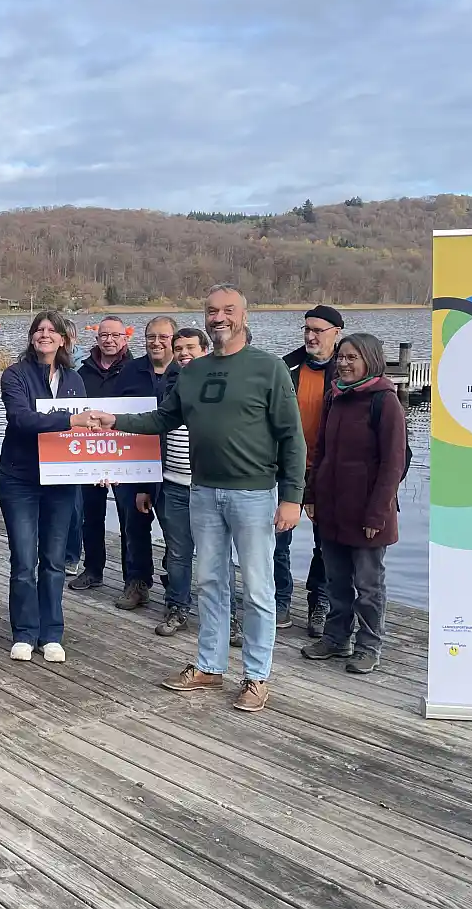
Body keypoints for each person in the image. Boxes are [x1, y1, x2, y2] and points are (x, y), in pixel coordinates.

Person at [85, 285, 305, 713]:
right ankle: (209, 666)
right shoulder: (192, 372)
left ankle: (256, 676)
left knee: (258, 589)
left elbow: (291, 437)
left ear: (243, 314)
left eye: (227, 310)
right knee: (210, 583)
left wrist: (292, 496)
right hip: (202, 492)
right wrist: (114, 420)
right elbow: (163, 418)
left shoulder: (270, 368)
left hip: (254, 493)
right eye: (211, 311)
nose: (218, 317)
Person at [300, 333, 407, 674]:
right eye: (341, 357)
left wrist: (377, 511)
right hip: (332, 510)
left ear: (370, 361)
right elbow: (321, 451)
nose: (343, 364)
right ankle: (336, 638)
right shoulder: (335, 397)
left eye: (352, 358)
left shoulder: (384, 402)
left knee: (368, 586)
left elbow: (394, 463)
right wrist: (311, 494)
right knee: (336, 581)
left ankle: (369, 645)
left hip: (368, 514)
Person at [0, 311, 90, 663]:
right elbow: (21, 419)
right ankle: (24, 631)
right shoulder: (14, 375)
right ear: (32, 337)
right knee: (23, 560)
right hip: (20, 479)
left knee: (53, 561)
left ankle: (52, 633)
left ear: (64, 340)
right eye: (39, 330)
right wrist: (69, 420)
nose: (45, 335)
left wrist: (98, 467)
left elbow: (84, 434)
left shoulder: (75, 381)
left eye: (52, 330)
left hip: (61, 482)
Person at [277, 304, 344, 635]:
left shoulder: (346, 370)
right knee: (277, 538)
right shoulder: (286, 366)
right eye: (307, 329)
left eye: (318, 330)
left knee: (326, 543)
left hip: (328, 470)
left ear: (336, 333)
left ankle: (321, 602)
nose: (310, 335)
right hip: (286, 467)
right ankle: (280, 601)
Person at [143, 326, 209, 637]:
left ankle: (227, 615)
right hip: (171, 483)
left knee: (216, 555)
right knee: (178, 552)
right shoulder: (168, 385)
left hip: (209, 486)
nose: (184, 354)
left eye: (190, 348)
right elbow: (152, 427)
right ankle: (177, 607)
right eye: (179, 348)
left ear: (204, 350)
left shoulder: (216, 383)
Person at [111, 315, 178, 611]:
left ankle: (175, 587)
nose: (156, 342)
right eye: (151, 336)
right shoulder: (129, 371)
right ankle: (137, 582)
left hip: (173, 465)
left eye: (163, 337)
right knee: (133, 526)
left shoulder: (186, 371)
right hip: (133, 461)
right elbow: (113, 415)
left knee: (175, 530)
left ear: (174, 340)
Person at [68, 315, 131, 592]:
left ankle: (134, 578)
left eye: (115, 335)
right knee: (90, 516)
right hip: (90, 453)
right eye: (104, 335)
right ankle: (93, 570)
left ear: (125, 338)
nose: (109, 340)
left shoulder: (136, 370)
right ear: (97, 339)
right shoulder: (82, 372)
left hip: (127, 455)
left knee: (131, 518)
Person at [62, 318, 85, 575]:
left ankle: (71, 556)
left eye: (68, 338)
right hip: (51, 443)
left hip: (78, 445)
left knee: (75, 507)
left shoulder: (83, 369)